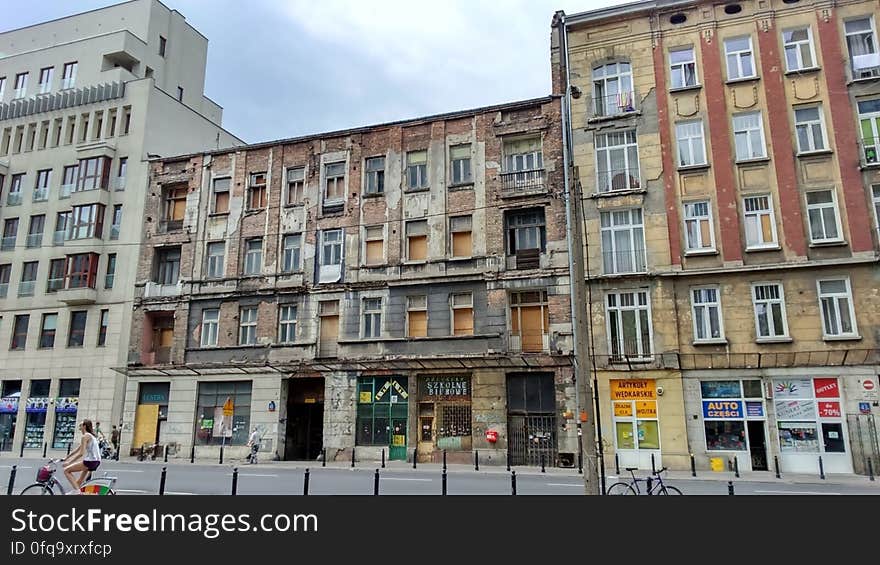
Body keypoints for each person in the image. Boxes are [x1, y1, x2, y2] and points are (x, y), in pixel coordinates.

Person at [62, 419, 102, 494]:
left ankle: (77, 492)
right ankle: (78, 492)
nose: (79, 426)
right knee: (79, 482)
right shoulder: (90, 436)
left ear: (84, 426)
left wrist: (69, 463)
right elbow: (77, 449)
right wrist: (66, 458)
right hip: (96, 461)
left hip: (91, 461)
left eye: (81, 425)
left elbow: (81, 453)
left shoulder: (85, 436)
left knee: (66, 470)